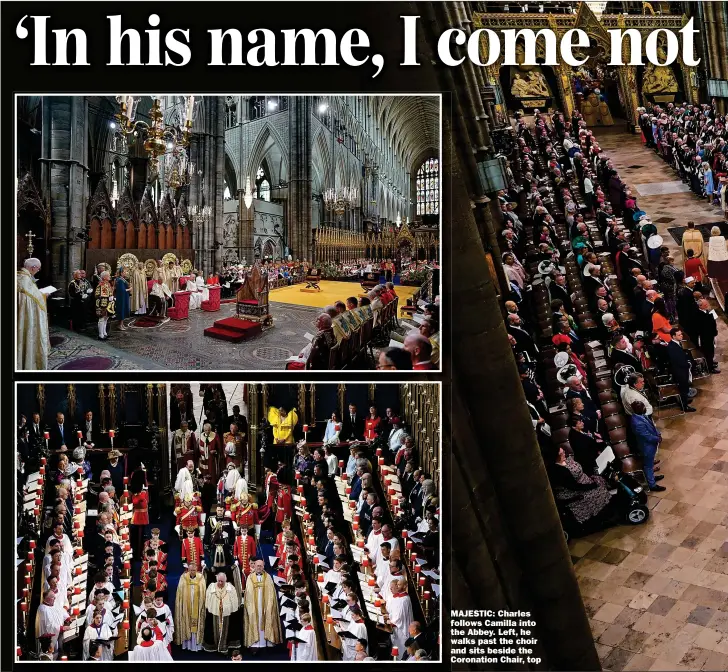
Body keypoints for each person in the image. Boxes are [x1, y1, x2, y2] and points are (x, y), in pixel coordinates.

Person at [17, 257, 50, 369]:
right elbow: (33, 300)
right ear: (33, 267)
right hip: (27, 317)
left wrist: (39, 293)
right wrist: (44, 295)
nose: (38, 271)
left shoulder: (20, 277)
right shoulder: (25, 280)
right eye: (38, 269)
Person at [243, 558, 283, 649]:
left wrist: (269, 604)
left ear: (263, 566)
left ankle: (268, 640)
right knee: (254, 617)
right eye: (257, 566)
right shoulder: (250, 577)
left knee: (268, 616)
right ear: (255, 566)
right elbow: (248, 592)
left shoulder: (268, 577)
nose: (259, 567)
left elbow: (271, 592)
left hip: (265, 603)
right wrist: (251, 604)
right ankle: (255, 643)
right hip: (254, 603)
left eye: (261, 566)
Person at [630, 400, 664, 492]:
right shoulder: (637, 423)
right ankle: (652, 485)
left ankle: (652, 478)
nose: (645, 408)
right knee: (648, 466)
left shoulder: (641, 416)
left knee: (650, 464)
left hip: (651, 445)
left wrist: (658, 434)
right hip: (646, 447)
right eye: (643, 407)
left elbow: (652, 427)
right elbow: (647, 436)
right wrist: (657, 439)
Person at [203, 572, 242, 653]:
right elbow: (207, 600)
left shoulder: (231, 588)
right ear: (216, 580)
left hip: (226, 615)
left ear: (226, 580)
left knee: (228, 629)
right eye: (219, 581)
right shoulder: (211, 587)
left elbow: (234, 602)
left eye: (222, 581)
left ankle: (224, 646)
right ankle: (215, 646)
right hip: (214, 614)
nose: (220, 583)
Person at [174, 562, 207, 652]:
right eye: (191, 570)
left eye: (194, 570)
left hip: (197, 603)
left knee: (197, 622)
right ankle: (187, 645)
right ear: (188, 570)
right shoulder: (183, 577)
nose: (192, 572)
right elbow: (180, 592)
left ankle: (197, 645)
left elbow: (203, 590)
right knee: (187, 622)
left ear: (197, 570)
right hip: (186, 605)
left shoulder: (201, 578)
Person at [666, 328, 696, 412]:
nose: (681, 336)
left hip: (682, 370)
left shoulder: (677, 343)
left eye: (681, 334)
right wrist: (688, 364)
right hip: (680, 371)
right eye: (679, 335)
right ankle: (684, 406)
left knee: (685, 387)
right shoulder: (671, 347)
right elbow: (677, 360)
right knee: (683, 388)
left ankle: (685, 400)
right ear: (673, 336)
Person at [387, 577, 414, 660]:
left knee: (401, 649)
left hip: (401, 628)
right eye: (397, 584)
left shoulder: (405, 599)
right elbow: (394, 611)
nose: (397, 586)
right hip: (396, 627)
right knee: (396, 648)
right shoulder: (399, 597)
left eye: (399, 585)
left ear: (405, 586)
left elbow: (400, 616)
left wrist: (391, 621)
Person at [695, 298, 720, 373]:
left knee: (711, 350)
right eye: (705, 305)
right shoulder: (699, 314)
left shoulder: (707, 312)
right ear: (700, 306)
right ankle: (710, 368)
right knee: (708, 351)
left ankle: (711, 362)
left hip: (710, 335)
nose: (707, 305)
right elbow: (703, 326)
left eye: (707, 304)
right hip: (705, 337)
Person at [94, 271, 115, 340]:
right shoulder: (101, 284)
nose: (110, 276)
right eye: (108, 275)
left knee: (106, 318)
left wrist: (112, 297)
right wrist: (108, 297)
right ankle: (100, 335)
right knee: (102, 319)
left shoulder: (107, 284)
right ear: (104, 277)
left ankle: (104, 333)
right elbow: (98, 295)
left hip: (108, 304)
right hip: (102, 304)